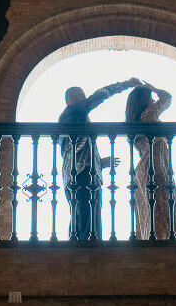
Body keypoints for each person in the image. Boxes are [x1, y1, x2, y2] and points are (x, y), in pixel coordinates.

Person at [58, 77, 140, 239]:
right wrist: (124, 85)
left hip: (85, 172)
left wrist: (100, 163)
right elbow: (97, 97)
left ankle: (85, 247)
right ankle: (85, 250)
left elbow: (79, 150)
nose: (84, 98)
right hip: (80, 174)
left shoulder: (78, 118)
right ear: (72, 99)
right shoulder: (71, 112)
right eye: (81, 96)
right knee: (85, 215)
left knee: (88, 214)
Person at [126, 84, 176, 240]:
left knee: (154, 212)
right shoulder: (149, 115)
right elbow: (167, 98)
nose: (153, 100)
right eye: (150, 97)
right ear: (144, 100)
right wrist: (152, 87)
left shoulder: (137, 120)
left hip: (146, 169)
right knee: (167, 206)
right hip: (156, 166)